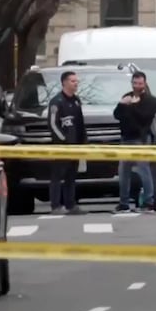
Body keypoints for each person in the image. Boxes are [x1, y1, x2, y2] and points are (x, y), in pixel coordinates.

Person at [113, 71, 156, 213]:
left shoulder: (148, 101)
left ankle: (148, 202)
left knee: (143, 170)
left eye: (139, 83)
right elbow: (118, 115)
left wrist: (133, 106)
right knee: (124, 172)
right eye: (134, 83)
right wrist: (122, 104)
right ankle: (124, 203)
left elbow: (143, 118)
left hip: (140, 139)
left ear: (144, 84)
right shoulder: (127, 97)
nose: (137, 86)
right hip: (126, 138)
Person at [48, 71, 87, 215]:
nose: (76, 84)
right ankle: (56, 206)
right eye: (72, 81)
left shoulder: (76, 101)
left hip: (75, 145)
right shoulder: (56, 102)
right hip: (62, 146)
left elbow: (80, 123)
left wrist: (83, 140)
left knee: (71, 175)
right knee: (58, 176)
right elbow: (52, 124)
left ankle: (71, 205)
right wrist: (62, 140)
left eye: (77, 81)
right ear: (64, 82)